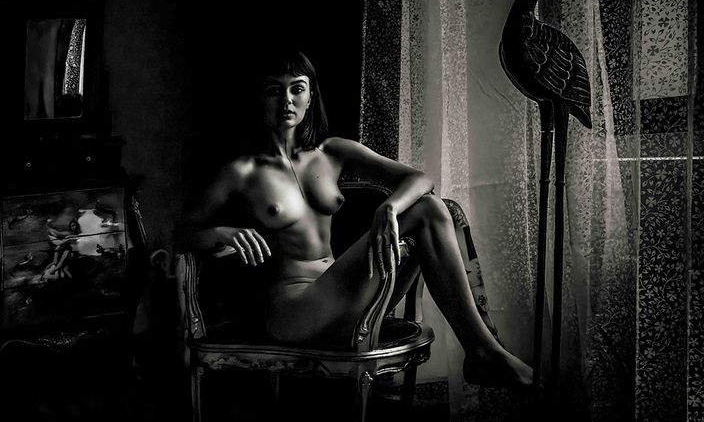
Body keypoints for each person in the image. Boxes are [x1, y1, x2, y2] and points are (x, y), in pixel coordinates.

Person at [178, 50, 532, 390]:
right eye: (274, 90)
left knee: (439, 208)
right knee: (428, 210)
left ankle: (483, 350)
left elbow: (420, 179)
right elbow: (182, 234)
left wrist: (388, 207)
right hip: (294, 313)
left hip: (347, 297)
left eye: (297, 89)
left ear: (310, 97)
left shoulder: (332, 152)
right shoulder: (242, 172)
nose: (287, 100)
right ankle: (483, 351)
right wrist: (222, 232)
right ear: (260, 98)